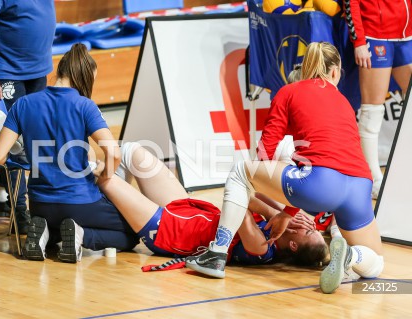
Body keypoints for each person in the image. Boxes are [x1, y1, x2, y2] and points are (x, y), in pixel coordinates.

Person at [185, 42, 384, 294]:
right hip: (360, 186)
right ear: (335, 72)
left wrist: (263, 185)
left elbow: (266, 152)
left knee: (240, 172)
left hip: (321, 181)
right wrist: (287, 213)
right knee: (376, 260)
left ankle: (216, 253)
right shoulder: (344, 101)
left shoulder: (289, 91)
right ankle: (352, 257)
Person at [0, 44, 138, 263]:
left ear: (59, 71)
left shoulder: (23, 104)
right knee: (132, 233)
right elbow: (114, 154)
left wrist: (24, 153)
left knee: (56, 222)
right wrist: (104, 178)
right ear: (84, 77)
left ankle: (46, 233)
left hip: (40, 204)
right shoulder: (85, 106)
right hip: (80, 202)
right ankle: (81, 234)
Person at [95, 142, 327, 268]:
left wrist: (276, 214)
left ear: (294, 246)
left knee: (104, 177)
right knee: (131, 152)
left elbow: (240, 203)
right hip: (189, 209)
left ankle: (93, 208)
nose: (307, 224)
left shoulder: (262, 250)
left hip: (169, 231)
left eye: (308, 231)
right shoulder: (277, 223)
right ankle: (115, 222)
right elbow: (253, 186)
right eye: (314, 228)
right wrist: (283, 212)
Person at [0, 0, 57, 228]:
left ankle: (1, 198)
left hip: (38, 72)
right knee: (16, 143)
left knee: (37, 139)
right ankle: (20, 212)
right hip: (6, 72)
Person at [345, 0, 412, 198]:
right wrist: (358, 41)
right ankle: (372, 178)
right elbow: (351, 3)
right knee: (372, 110)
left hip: (407, 36)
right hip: (375, 37)